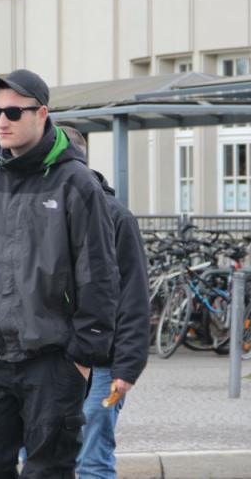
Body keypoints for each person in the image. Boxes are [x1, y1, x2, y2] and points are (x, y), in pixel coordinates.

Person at [0, 69, 119, 479]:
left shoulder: (76, 182)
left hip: (52, 359)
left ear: (42, 113)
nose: (1, 121)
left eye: (13, 111)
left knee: (48, 471)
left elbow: (98, 274)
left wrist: (82, 357)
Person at [58, 127, 150, 479]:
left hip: (102, 362)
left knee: (92, 458)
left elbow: (134, 296)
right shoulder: (45, 210)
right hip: (52, 358)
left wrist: (126, 368)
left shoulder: (116, 217)